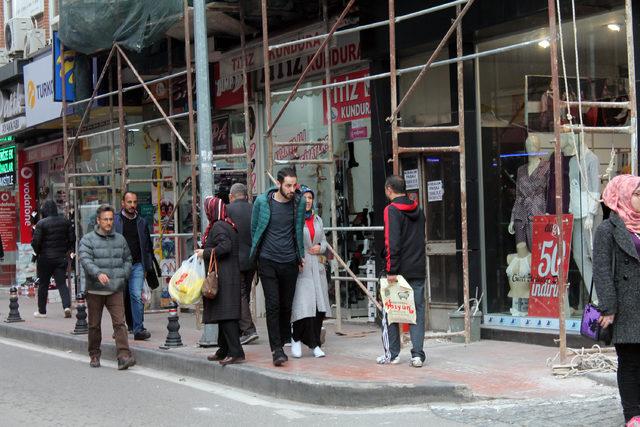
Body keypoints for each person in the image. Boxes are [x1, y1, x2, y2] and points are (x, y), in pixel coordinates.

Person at [594, 174, 640, 425]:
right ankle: (632, 414)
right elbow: (601, 269)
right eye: (637, 194)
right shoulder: (607, 229)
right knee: (630, 362)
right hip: (625, 307)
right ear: (622, 196)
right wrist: (609, 308)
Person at [250, 167, 306, 366]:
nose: (292, 189)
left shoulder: (298, 203)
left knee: (285, 306)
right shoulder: (262, 202)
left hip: (290, 261)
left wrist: (301, 255)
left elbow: (298, 230)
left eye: (294, 185)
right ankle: (277, 349)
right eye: (288, 185)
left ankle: (283, 339)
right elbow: (254, 228)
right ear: (279, 184)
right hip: (268, 260)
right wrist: (255, 257)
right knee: (272, 305)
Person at [377, 175, 426, 368]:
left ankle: (393, 354)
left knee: (390, 311)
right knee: (417, 312)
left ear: (389, 189)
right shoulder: (418, 209)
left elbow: (392, 243)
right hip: (418, 268)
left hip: (398, 272)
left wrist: (391, 270)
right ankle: (418, 355)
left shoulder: (391, 210)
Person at [78, 204, 136, 370]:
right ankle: (94, 354)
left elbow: (128, 260)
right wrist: (97, 273)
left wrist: (122, 276)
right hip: (95, 289)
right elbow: (85, 260)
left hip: (115, 288)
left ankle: (123, 356)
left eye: (111, 219)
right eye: (105, 219)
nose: (109, 222)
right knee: (94, 325)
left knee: (120, 323)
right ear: (98, 220)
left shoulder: (120, 239)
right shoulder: (88, 239)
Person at [196, 196, 244, 366]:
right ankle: (223, 349)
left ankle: (236, 352)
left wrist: (205, 253)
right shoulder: (227, 224)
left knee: (227, 316)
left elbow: (225, 247)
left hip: (224, 278)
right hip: (228, 276)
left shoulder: (218, 226)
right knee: (224, 315)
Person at [290, 186, 331, 358]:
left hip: (318, 266)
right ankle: (296, 338)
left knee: (318, 308)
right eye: (305, 197)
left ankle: (315, 344)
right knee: (303, 306)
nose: (307, 201)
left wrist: (320, 248)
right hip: (302, 266)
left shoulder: (318, 219)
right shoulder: (293, 220)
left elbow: (324, 241)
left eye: (310, 197)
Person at [114, 191, 154, 341]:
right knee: (118, 298)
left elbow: (147, 246)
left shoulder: (141, 222)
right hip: (119, 265)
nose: (132, 205)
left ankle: (138, 329)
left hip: (137, 265)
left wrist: (146, 267)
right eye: (129, 202)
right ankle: (119, 327)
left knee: (136, 296)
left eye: (134, 202)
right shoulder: (116, 221)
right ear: (123, 203)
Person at [226, 183, 259, 345]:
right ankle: (242, 328)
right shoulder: (254, 209)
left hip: (235, 260)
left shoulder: (227, 210)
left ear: (231, 196)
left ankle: (248, 329)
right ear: (246, 195)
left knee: (240, 295)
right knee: (244, 293)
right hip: (252, 259)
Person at [31, 200, 75, 318]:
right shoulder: (65, 222)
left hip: (45, 258)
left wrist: (38, 251)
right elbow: (72, 239)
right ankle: (66, 306)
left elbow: (36, 242)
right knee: (61, 283)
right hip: (60, 257)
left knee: (43, 285)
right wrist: (65, 249)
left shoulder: (41, 223)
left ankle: (42, 311)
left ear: (44, 210)